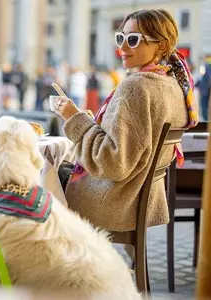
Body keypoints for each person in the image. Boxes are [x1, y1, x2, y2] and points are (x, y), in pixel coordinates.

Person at [53, 9, 198, 233]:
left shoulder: (136, 87)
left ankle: (58, 262)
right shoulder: (175, 84)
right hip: (142, 198)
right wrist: (88, 122)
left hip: (113, 201)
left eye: (133, 40)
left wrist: (74, 118)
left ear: (160, 45)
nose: (122, 47)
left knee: (35, 178)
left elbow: (112, 162)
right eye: (121, 38)